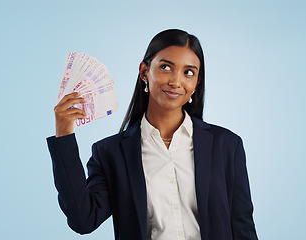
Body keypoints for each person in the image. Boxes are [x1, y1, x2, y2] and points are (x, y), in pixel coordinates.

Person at [47, 29, 258, 240]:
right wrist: (64, 136)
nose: (176, 82)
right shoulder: (110, 153)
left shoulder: (226, 145)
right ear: (144, 72)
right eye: (166, 67)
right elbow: (83, 220)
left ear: (197, 83)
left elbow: (242, 227)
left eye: (188, 72)